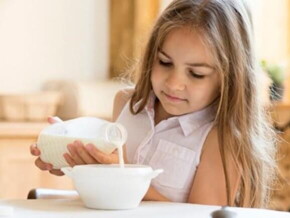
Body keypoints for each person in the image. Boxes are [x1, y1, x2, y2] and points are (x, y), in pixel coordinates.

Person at [31, 0, 277, 208]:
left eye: (197, 74)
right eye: (165, 62)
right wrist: (72, 155)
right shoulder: (127, 104)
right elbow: (108, 193)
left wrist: (124, 176)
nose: (174, 83)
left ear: (229, 79)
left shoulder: (221, 138)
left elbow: (200, 215)